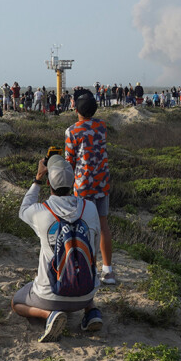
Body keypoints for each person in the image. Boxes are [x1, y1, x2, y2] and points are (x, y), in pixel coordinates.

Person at [12, 155, 103, 342]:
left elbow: (23, 209)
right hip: (86, 293)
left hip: (51, 296)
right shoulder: (90, 208)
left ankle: (49, 315)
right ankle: (91, 311)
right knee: (80, 264)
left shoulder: (40, 212)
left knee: (16, 302)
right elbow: (94, 248)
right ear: (73, 183)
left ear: (49, 183)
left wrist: (37, 178)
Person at [65, 89, 116, 284]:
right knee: (103, 226)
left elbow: (69, 161)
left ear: (76, 109)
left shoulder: (72, 131)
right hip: (102, 183)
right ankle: (108, 271)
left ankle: (90, 270)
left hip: (83, 186)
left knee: (84, 228)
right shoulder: (102, 126)